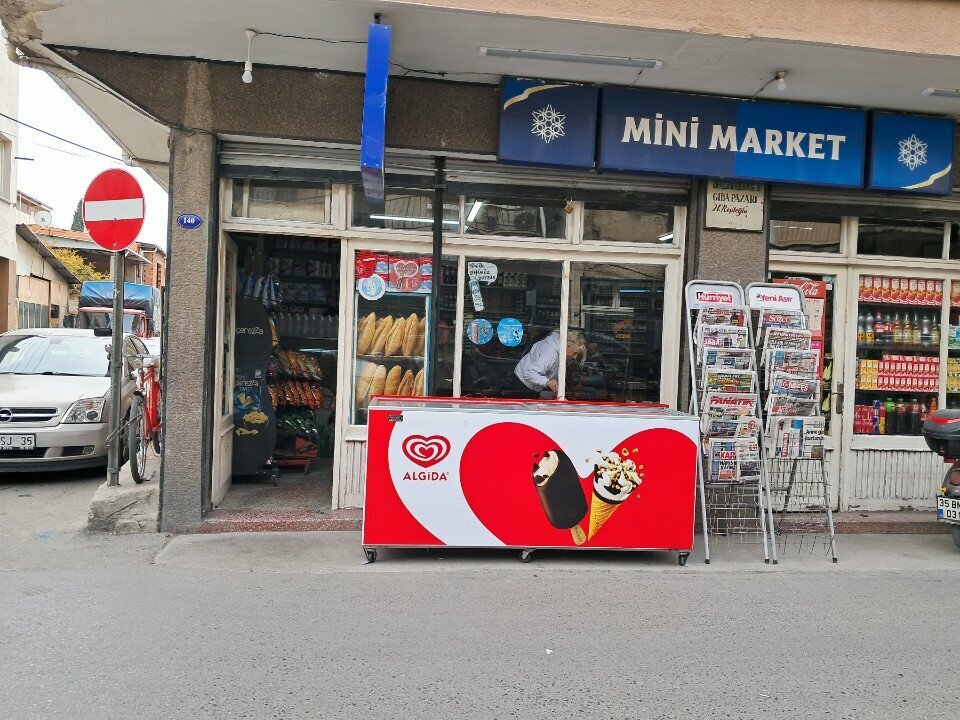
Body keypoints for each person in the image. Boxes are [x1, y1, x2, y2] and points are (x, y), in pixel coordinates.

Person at [510, 330, 586, 398]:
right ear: (567, 346)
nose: (575, 357)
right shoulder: (550, 353)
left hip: (526, 383)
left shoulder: (555, 347)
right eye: (574, 353)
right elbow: (529, 373)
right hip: (523, 385)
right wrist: (548, 382)